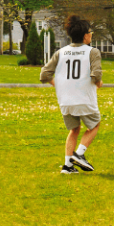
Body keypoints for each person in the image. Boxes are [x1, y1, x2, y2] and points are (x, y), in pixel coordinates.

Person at [40, 15, 103, 174]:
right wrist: (99, 83)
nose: (91, 34)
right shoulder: (92, 52)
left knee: (74, 129)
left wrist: (59, 86)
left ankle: (67, 166)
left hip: (65, 100)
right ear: (85, 36)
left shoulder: (60, 52)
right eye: (90, 32)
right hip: (84, 99)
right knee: (95, 124)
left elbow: (44, 75)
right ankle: (79, 154)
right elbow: (96, 76)